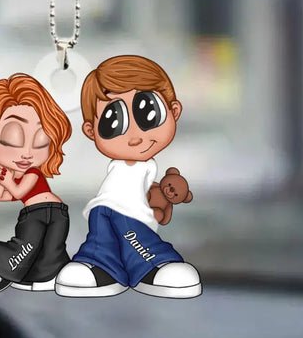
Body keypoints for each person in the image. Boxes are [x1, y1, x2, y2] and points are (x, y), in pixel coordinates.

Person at [55, 55, 202, 298]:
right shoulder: (126, 164)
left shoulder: (146, 167)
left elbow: (148, 191)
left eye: (148, 114)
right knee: (101, 242)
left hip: (129, 214)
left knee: (133, 237)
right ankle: (105, 267)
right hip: (103, 209)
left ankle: (148, 265)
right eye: (114, 121)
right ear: (91, 130)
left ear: (174, 111)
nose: (134, 135)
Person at [0, 73, 72, 295]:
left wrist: (9, 182)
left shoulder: (33, 173)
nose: (28, 152)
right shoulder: (17, 174)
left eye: (41, 140)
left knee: (39, 248)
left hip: (50, 213)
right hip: (44, 213)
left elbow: (19, 191)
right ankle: (18, 272)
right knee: (37, 248)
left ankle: (18, 272)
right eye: (14, 136)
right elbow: (2, 197)